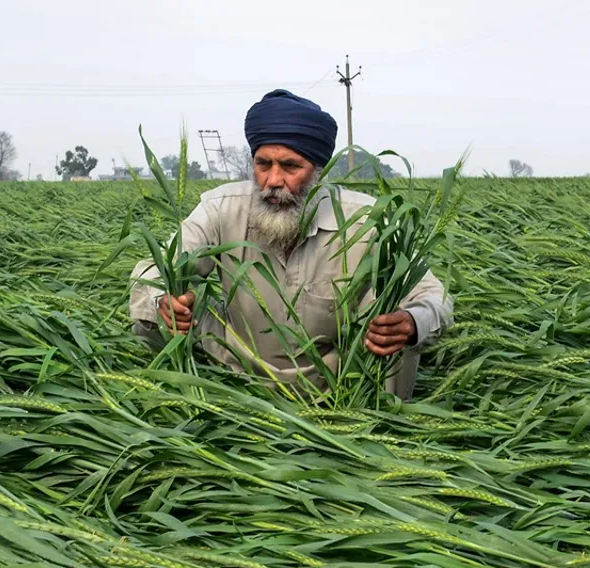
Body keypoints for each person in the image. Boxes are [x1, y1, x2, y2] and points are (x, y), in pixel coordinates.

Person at [128, 89, 453, 400]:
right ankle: (196, 396)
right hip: (233, 370)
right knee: (166, 308)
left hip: (340, 381)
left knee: (393, 324)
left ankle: (379, 425)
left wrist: (411, 323)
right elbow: (156, 270)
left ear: (319, 172)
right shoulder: (221, 208)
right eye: (263, 164)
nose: (272, 180)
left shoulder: (366, 221)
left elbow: (433, 296)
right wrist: (162, 303)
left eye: (290, 166)